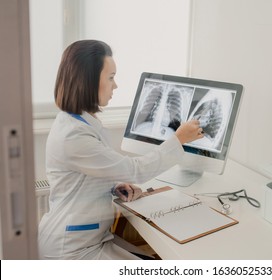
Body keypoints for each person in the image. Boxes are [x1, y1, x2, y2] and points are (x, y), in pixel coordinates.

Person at [38, 40, 204, 260]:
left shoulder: (78, 122)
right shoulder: (73, 136)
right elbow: (136, 170)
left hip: (86, 239)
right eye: (111, 77)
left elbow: (83, 176)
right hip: (72, 252)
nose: (115, 85)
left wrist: (112, 185)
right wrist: (178, 139)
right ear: (88, 81)